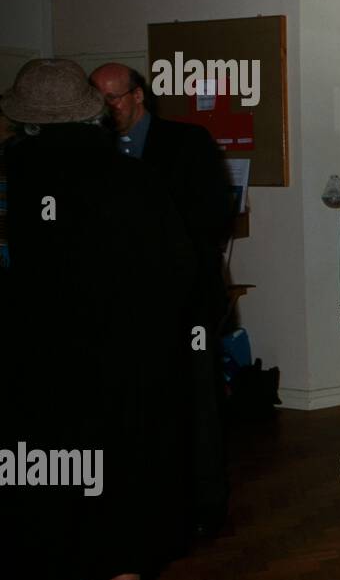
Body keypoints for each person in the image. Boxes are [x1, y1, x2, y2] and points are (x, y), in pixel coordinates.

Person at [0, 59, 194, 580]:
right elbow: (180, 274)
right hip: (127, 375)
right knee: (121, 496)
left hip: (33, 381)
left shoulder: (12, 182)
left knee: (53, 515)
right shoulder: (132, 178)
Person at [89, 63, 233, 538]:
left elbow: (212, 218)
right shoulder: (93, 149)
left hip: (186, 300)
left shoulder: (187, 142)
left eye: (113, 97)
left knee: (198, 402)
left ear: (137, 96)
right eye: (98, 97)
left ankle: (206, 508)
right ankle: (153, 504)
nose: (106, 106)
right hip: (123, 306)